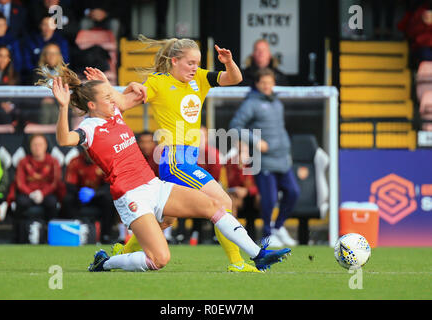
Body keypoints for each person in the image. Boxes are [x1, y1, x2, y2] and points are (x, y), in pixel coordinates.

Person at [45, 65, 291, 272]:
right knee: (159, 259)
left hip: (153, 185)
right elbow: (65, 139)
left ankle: (258, 256)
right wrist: (63, 107)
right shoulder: (89, 127)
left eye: (111, 97)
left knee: (215, 205)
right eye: (107, 99)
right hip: (131, 195)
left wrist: (125, 85)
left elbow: (133, 96)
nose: (112, 101)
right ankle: (105, 263)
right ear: (91, 105)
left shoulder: (115, 113)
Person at [99, 35, 260, 272]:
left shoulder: (202, 78)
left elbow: (235, 78)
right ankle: (237, 263)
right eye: (190, 63)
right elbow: (122, 104)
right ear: (174, 61)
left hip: (187, 158)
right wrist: (116, 87)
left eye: (197, 63)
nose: (195, 68)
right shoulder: (158, 82)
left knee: (167, 219)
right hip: (174, 160)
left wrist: (228, 62)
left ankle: (122, 252)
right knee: (223, 201)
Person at [230, 68, 299, 247]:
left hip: (282, 159)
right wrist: (256, 142)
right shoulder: (251, 103)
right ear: (258, 84)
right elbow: (235, 126)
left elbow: (280, 129)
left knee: (293, 192)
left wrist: (287, 149)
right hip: (264, 161)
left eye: (270, 82)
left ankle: (278, 227)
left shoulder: (277, 103)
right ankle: (267, 234)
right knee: (269, 199)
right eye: (264, 83)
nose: (267, 86)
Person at [62, 148, 114, 244]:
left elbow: (109, 185)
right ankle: (71, 232)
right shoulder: (75, 161)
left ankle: (106, 235)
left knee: (109, 200)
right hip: (79, 196)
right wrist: (79, 192)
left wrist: (95, 193)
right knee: (67, 200)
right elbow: (70, 185)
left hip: (98, 196)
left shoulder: (104, 162)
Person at [13, 134, 61, 223]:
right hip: (28, 194)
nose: (37, 147)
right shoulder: (23, 161)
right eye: (34, 145)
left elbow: (55, 182)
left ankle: (49, 231)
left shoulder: (53, 161)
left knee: (52, 202)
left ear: (46, 146)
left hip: (46, 194)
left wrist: (42, 193)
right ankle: (21, 231)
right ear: (30, 147)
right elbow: (20, 183)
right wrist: (31, 193)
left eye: (40, 144)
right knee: (21, 202)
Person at [224, 141, 260, 241]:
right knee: (231, 199)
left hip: (253, 196)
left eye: (243, 151)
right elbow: (231, 184)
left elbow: (261, 185)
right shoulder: (231, 163)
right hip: (237, 196)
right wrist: (240, 167)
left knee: (262, 197)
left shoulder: (256, 163)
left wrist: (247, 191)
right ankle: (231, 234)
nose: (241, 154)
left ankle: (270, 232)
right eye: (238, 151)